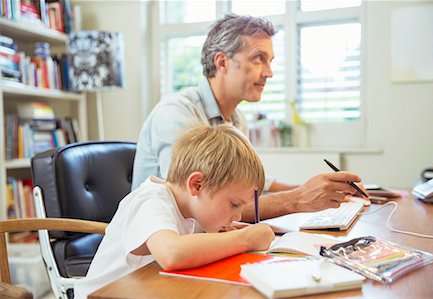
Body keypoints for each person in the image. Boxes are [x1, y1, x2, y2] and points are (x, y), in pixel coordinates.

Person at [132, 14, 367, 222]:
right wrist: (298, 199)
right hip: (154, 257)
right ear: (222, 62)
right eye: (259, 59)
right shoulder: (176, 113)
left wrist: (321, 191)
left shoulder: (236, 120)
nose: (269, 72)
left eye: (270, 61)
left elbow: (248, 188)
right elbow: (197, 209)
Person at [75, 124, 275, 298]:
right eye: (234, 204)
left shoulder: (191, 210)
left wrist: (225, 235)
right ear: (197, 184)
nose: (238, 216)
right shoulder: (151, 201)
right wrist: (245, 238)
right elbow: (172, 253)